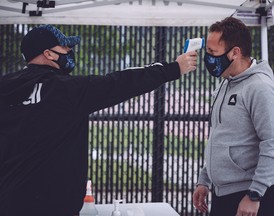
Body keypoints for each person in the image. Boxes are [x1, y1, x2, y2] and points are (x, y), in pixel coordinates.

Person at [0, 25, 198, 216]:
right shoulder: (65, 90)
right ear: (49, 54)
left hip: (8, 201)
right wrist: (174, 68)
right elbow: (120, 82)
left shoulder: (5, 87)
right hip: (53, 205)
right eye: (65, 48)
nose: (70, 52)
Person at [192, 17, 274, 216]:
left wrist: (254, 195)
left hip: (252, 195)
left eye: (212, 52)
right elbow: (221, 135)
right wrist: (205, 179)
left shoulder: (261, 88)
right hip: (224, 192)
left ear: (235, 52)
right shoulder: (226, 83)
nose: (207, 58)